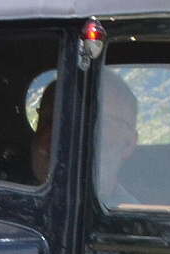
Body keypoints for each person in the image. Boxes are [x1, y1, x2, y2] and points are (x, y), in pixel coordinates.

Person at [30, 68, 141, 204]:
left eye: (93, 122)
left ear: (128, 143)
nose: (69, 137)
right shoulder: (7, 199)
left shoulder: (133, 216)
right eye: (52, 119)